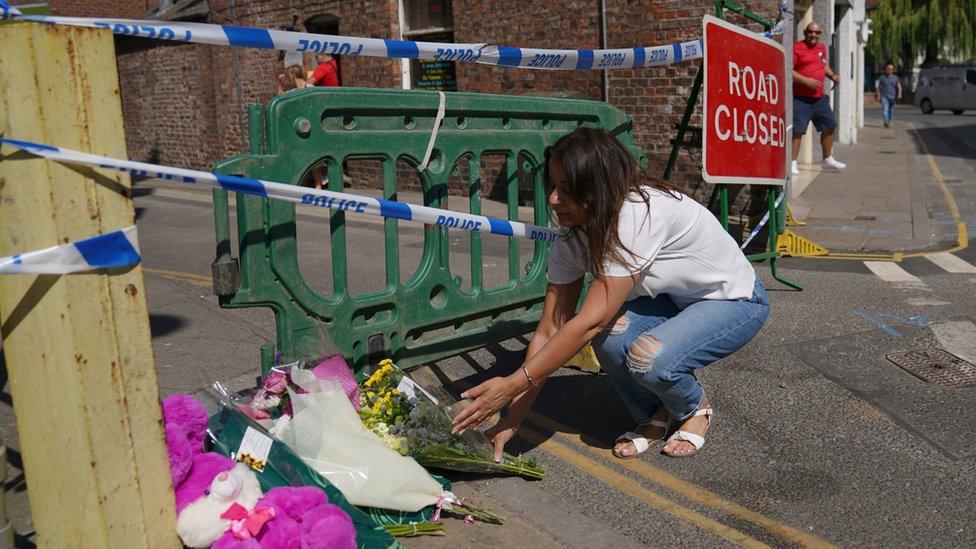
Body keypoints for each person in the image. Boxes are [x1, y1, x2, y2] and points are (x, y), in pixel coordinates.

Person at [451, 128, 771, 459]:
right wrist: (512, 420)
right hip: (677, 301)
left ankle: (694, 407)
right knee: (610, 335)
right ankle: (655, 413)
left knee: (649, 358)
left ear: (598, 187)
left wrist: (513, 385)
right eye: (553, 186)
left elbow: (590, 319)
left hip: (735, 301)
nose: (553, 199)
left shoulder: (637, 214)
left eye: (568, 189)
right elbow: (550, 329)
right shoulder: (573, 237)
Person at [791, 21, 845, 175]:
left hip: (819, 98)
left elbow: (823, 65)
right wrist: (806, 81)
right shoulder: (797, 48)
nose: (813, 35)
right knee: (798, 131)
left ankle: (827, 158)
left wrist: (832, 75)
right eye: (810, 32)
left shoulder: (821, 48)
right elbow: (789, 70)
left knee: (830, 125)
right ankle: (793, 163)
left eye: (816, 32)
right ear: (805, 32)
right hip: (801, 99)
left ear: (820, 34)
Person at [875, 64, 902, 128]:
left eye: (891, 69)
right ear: (886, 70)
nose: (890, 70)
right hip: (884, 96)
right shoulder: (882, 77)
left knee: (891, 110)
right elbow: (877, 86)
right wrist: (878, 94)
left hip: (893, 97)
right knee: (885, 109)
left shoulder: (895, 78)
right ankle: (886, 122)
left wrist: (899, 94)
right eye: (889, 69)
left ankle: (888, 122)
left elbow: (899, 86)